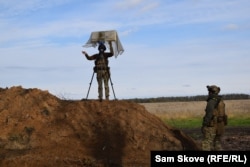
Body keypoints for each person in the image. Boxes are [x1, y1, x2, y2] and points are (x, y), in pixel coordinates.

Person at [201, 85, 227, 151]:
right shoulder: (220, 101)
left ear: (210, 92)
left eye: (209, 91)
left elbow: (209, 114)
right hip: (220, 125)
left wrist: (204, 124)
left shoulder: (212, 101)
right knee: (217, 143)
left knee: (206, 143)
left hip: (212, 125)